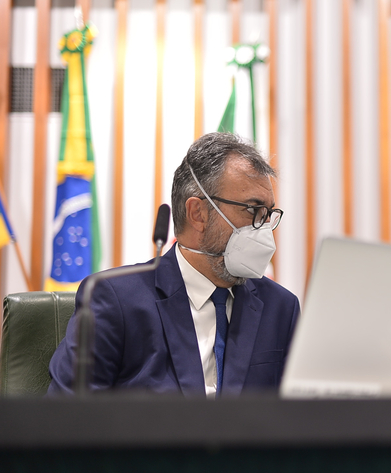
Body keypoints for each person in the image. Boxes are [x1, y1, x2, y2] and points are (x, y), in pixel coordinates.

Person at [48, 133, 300, 397]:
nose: (264, 229)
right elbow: (67, 414)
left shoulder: (280, 308)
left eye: (268, 214)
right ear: (198, 214)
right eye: (252, 210)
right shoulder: (115, 301)